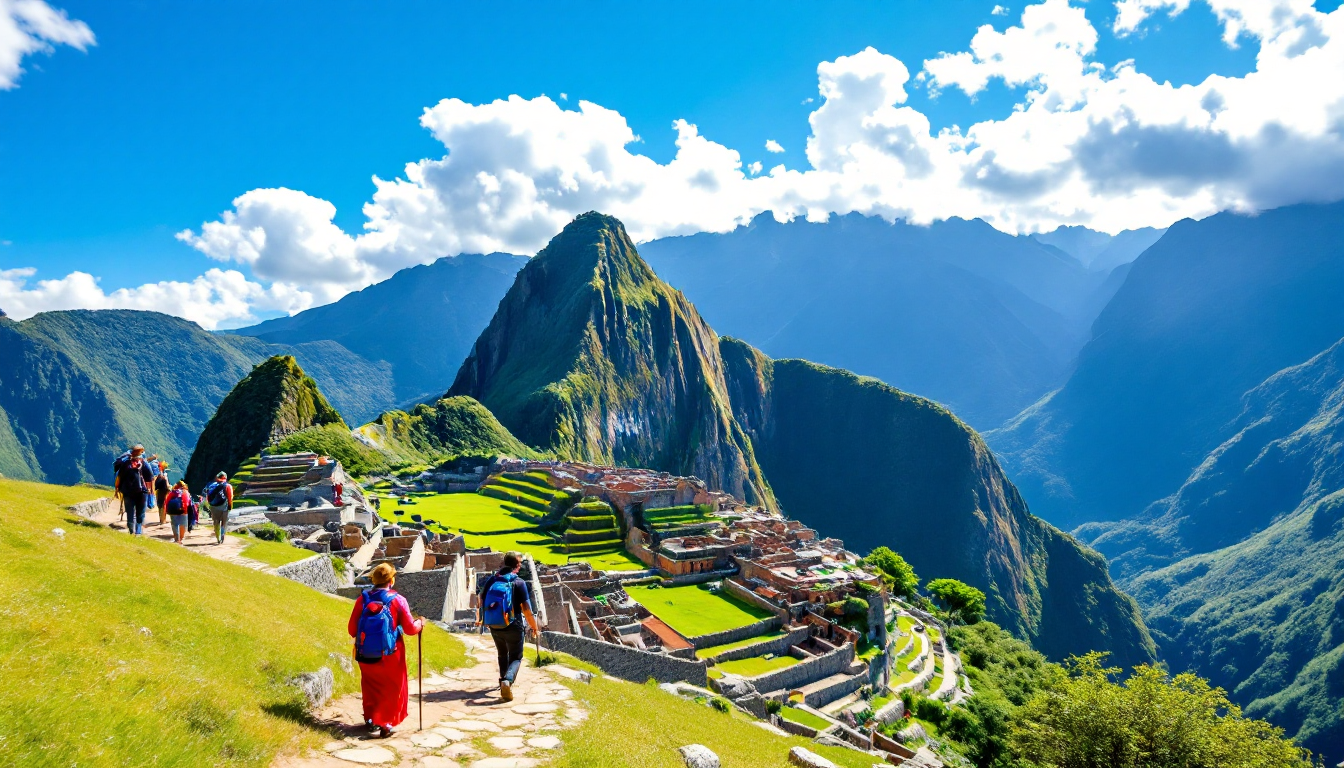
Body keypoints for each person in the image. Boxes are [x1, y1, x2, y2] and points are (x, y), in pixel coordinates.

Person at [347, 563, 423, 738]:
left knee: (370, 686)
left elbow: (352, 629)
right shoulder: (398, 600)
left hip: (365, 653)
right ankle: (386, 724)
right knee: (392, 688)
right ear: (391, 580)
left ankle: (372, 720)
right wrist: (420, 623)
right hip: (391, 654)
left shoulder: (363, 600)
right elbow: (411, 629)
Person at [476, 552, 540, 702]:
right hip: (513, 625)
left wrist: (481, 618)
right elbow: (527, 609)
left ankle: (502, 681)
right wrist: (534, 627)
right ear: (517, 566)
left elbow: (481, 598)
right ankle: (508, 680)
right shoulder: (518, 583)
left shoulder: (492, 580)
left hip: (494, 624)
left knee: (502, 653)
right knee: (516, 657)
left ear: (504, 563)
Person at [113, 445, 154, 536]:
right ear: (141, 452)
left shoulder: (126, 463)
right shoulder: (144, 463)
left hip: (127, 491)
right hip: (142, 491)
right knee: (140, 512)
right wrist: (150, 491)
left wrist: (119, 489)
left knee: (130, 510)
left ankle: (131, 529)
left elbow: (120, 476)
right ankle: (138, 531)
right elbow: (150, 477)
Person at [203, 472, 233, 545]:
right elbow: (230, 497)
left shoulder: (211, 485)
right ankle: (222, 535)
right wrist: (229, 505)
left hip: (214, 506)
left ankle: (217, 537)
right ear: (225, 477)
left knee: (216, 522)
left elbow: (207, 497)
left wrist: (210, 504)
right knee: (224, 522)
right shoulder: (228, 485)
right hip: (224, 506)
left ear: (217, 478)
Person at [153, 461, 171, 527]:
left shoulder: (158, 475)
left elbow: (156, 484)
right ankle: (163, 520)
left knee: (160, 505)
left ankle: (161, 519)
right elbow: (167, 484)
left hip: (159, 491)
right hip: (164, 491)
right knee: (164, 505)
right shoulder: (164, 476)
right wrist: (170, 489)